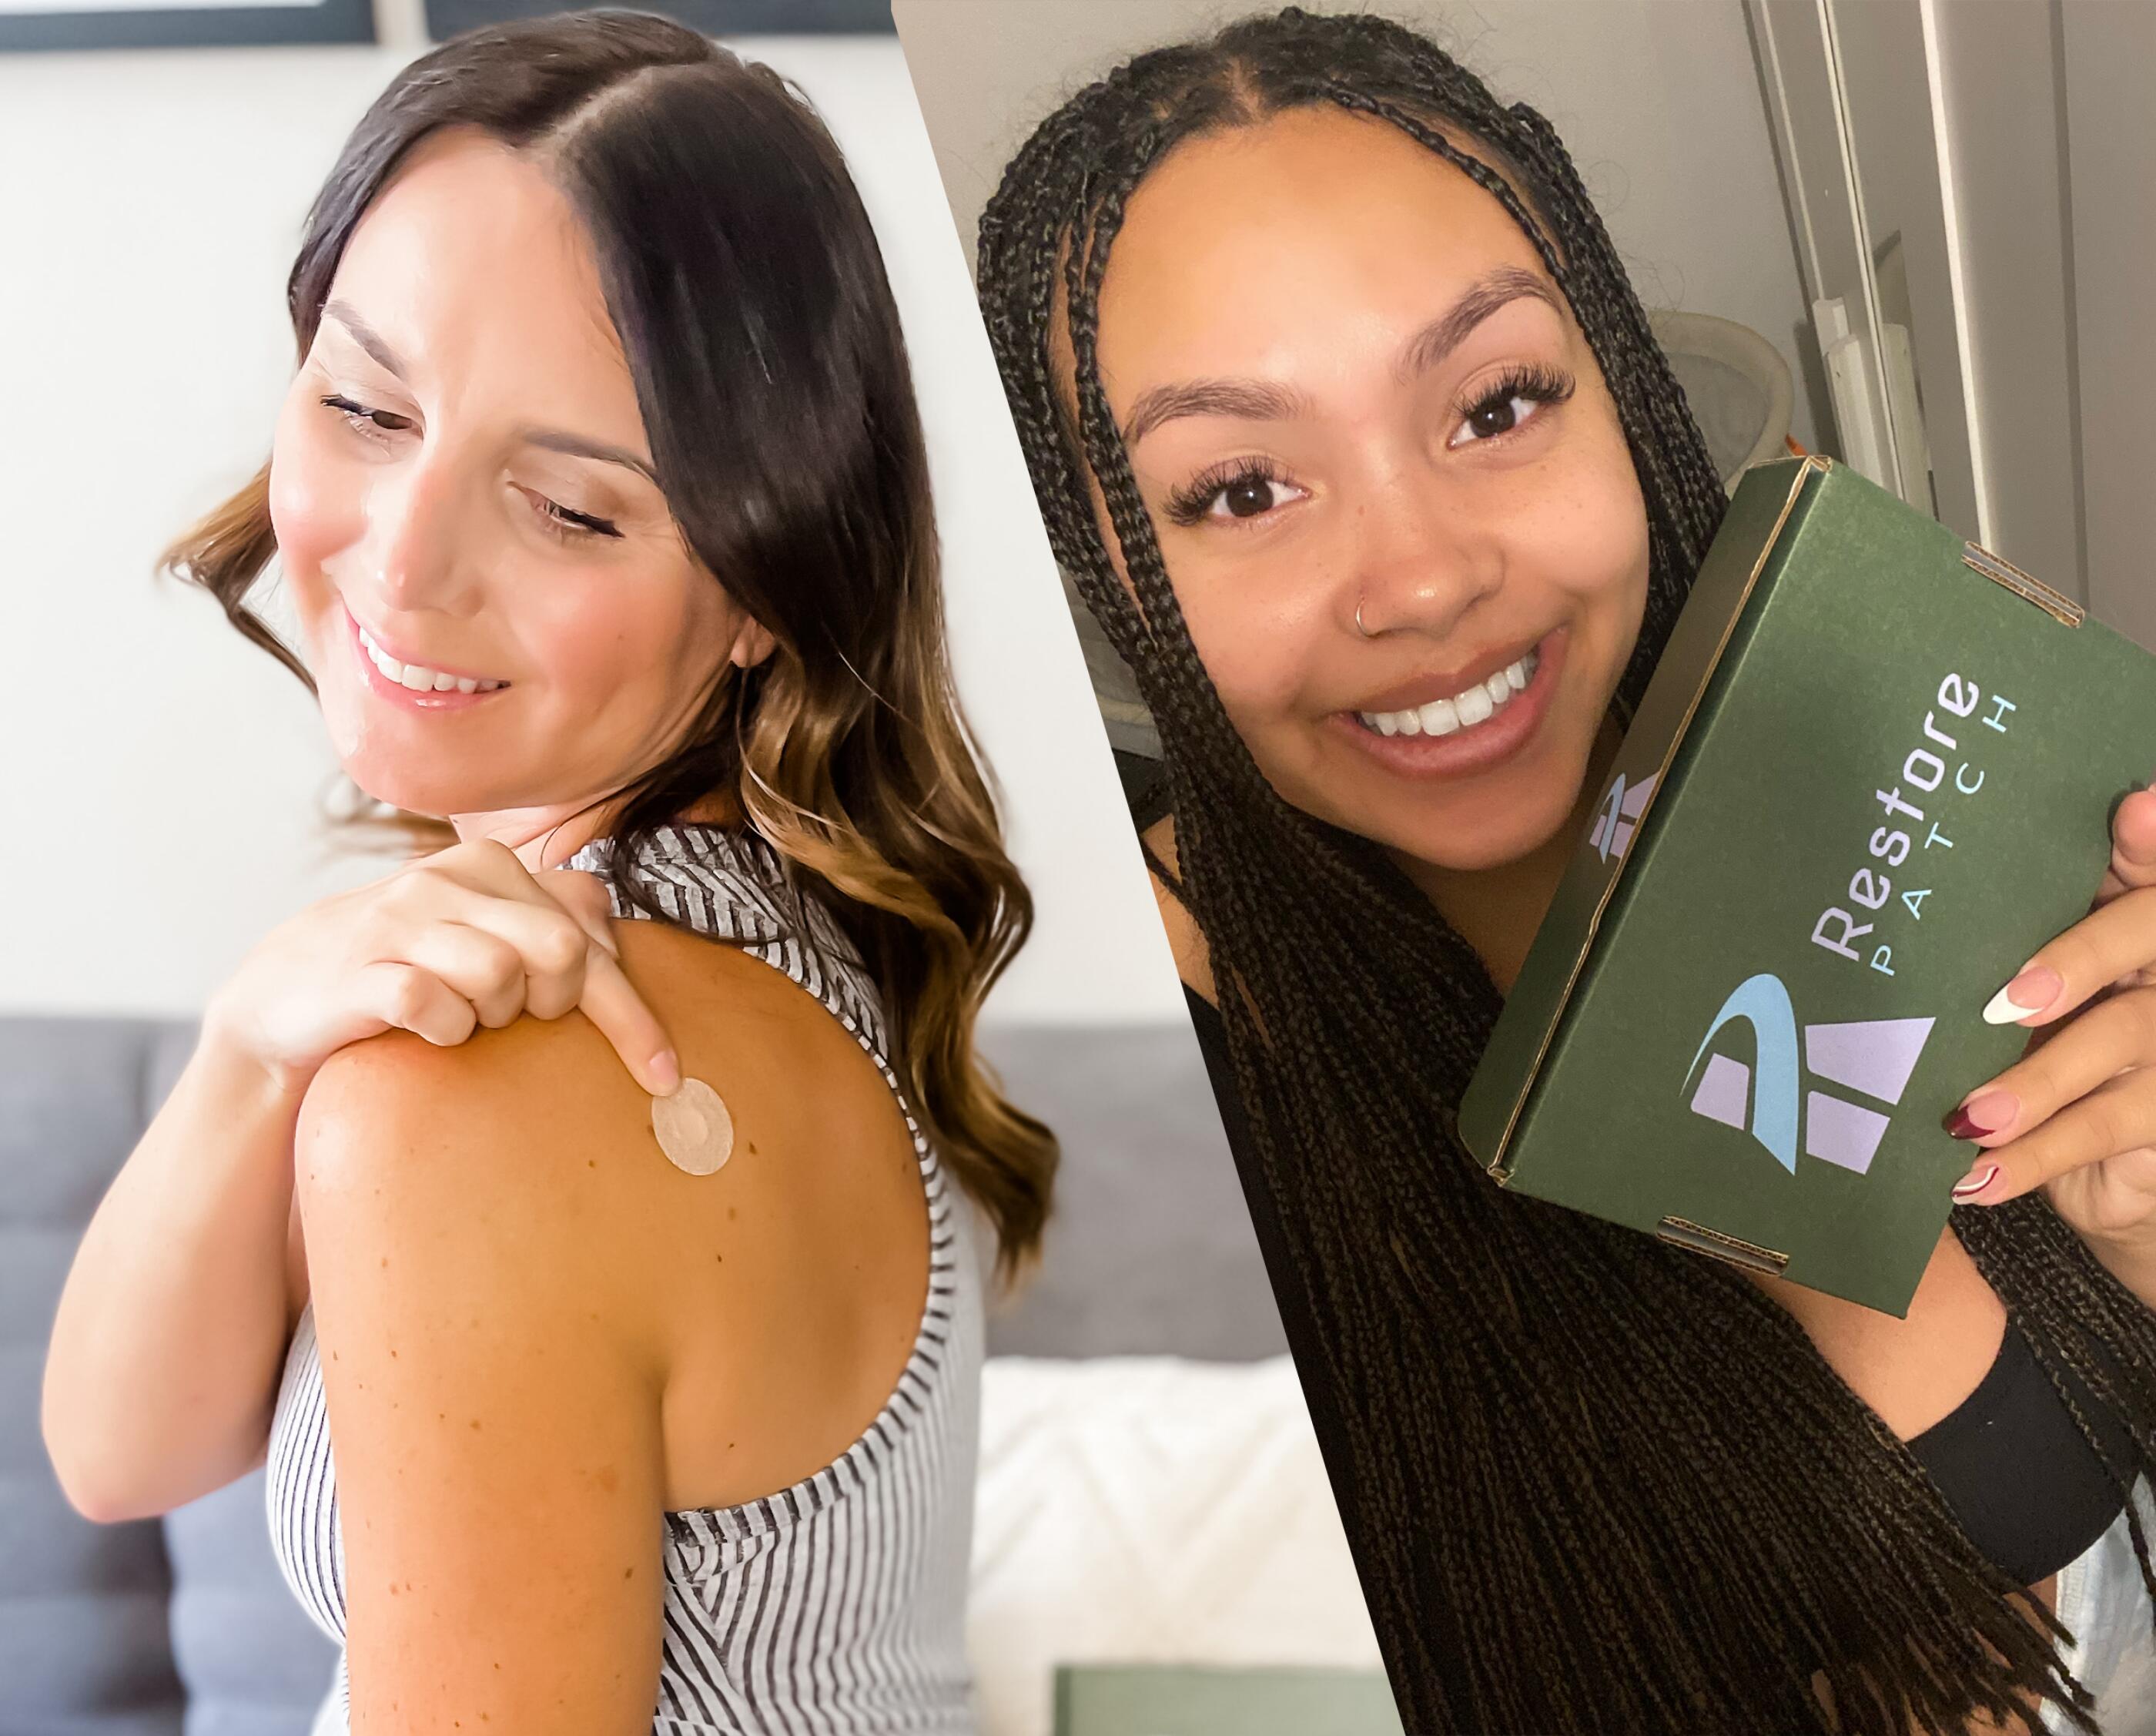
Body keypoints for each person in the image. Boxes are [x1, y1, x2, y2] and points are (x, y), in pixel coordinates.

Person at [973, 8, 2156, 1733]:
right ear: (1105, 564)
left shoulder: (1902, 752)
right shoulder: (1096, 1152)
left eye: (1497, 400)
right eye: (1237, 488)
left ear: (1615, 387)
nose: (1425, 578)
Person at [43, 13, 1054, 1732]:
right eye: (365, 404)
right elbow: (122, 1448)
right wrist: (247, 1048)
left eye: (573, 510)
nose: (404, 559)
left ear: (760, 584)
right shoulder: (791, 948)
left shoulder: (517, 1085)